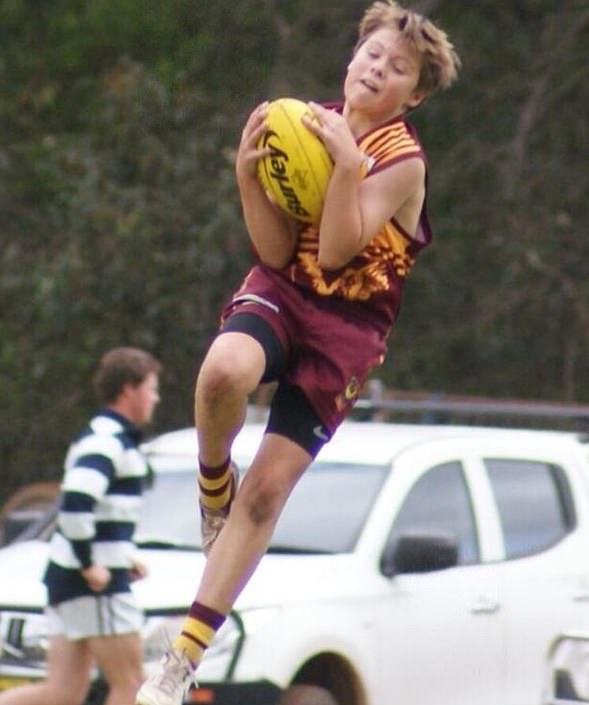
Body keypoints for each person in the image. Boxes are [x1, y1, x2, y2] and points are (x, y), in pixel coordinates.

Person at [136, 2, 460, 703]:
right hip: (285, 292)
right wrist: (249, 177)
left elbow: (341, 248)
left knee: (270, 491)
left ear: (416, 94)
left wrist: (347, 165)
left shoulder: (402, 162)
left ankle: (179, 664)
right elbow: (279, 249)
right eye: (372, 54)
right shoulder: (301, 121)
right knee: (225, 369)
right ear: (351, 59)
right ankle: (210, 481)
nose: (378, 68)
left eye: (398, 68)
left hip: (346, 330)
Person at [0, 347, 162, 705]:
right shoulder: (107, 439)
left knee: (63, 693)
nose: (156, 397)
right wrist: (90, 563)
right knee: (133, 686)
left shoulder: (108, 437)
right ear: (128, 390)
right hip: (94, 586)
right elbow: (74, 504)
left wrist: (122, 556)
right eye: (151, 388)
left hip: (72, 578)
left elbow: (100, 511)